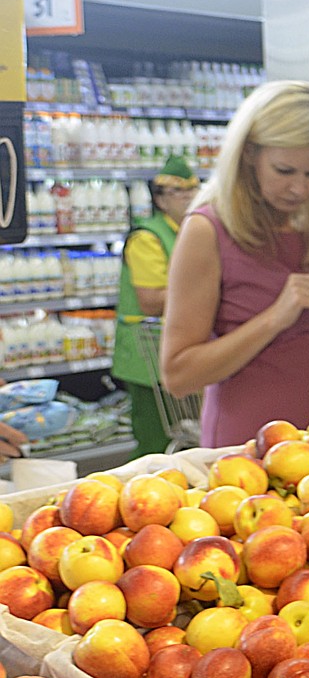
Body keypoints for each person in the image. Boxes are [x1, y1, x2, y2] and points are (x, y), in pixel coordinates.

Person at [160, 79, 309, 446]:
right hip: (245, 454)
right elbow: (179, 375)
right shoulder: (207, 230)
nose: (300, 189)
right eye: (284, 171)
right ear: (248, 155)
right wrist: (276, 316)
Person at [112, 155, 199, 457]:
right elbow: (151, 300)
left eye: (193, 191)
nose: (189, 198)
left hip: (181, 349)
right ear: (160, 200)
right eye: (179, 192)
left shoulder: (192, 231)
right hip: (147, 355)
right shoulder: (147, 237)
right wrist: (208, 293)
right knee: (154, 445)